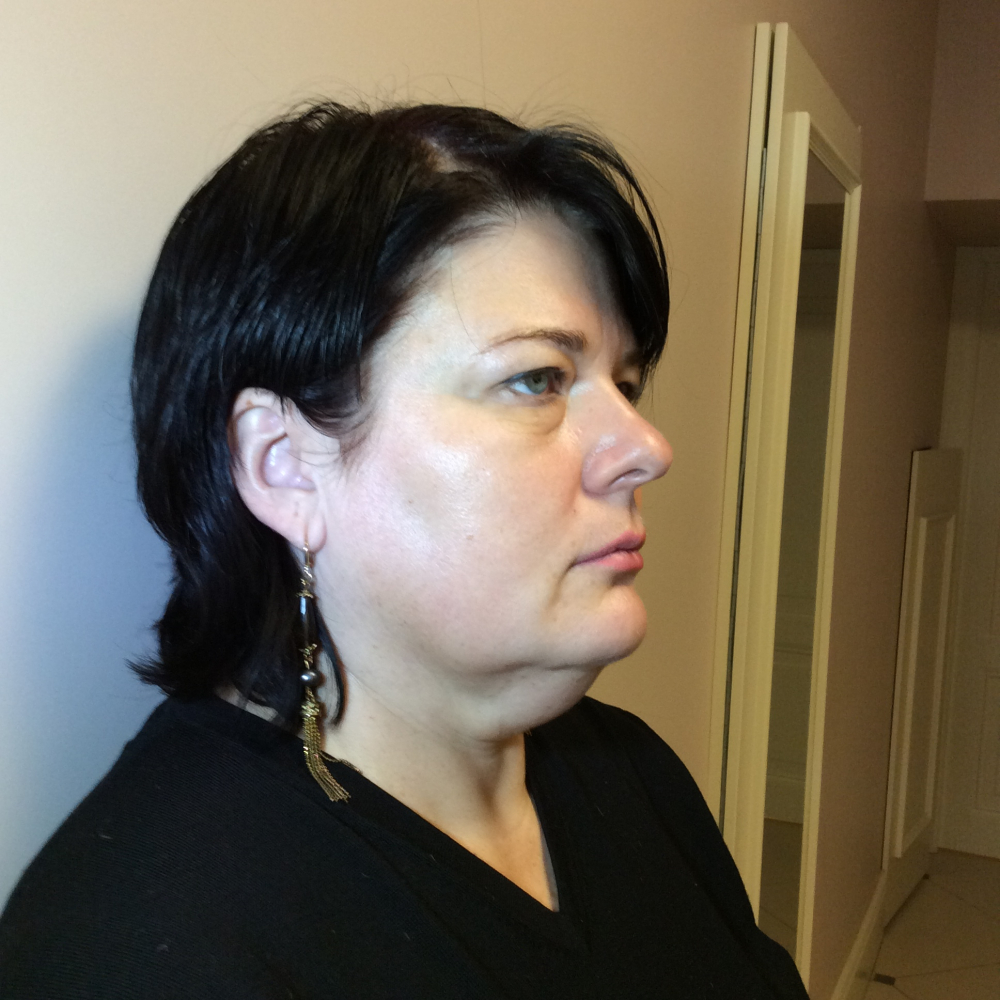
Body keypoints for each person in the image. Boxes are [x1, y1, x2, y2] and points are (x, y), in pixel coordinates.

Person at [0, 101, 808, 999]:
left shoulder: (627, 773)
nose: (646, 447)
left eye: (624, 383)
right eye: (536, 379)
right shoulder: (138, 943)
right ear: (283, 465)